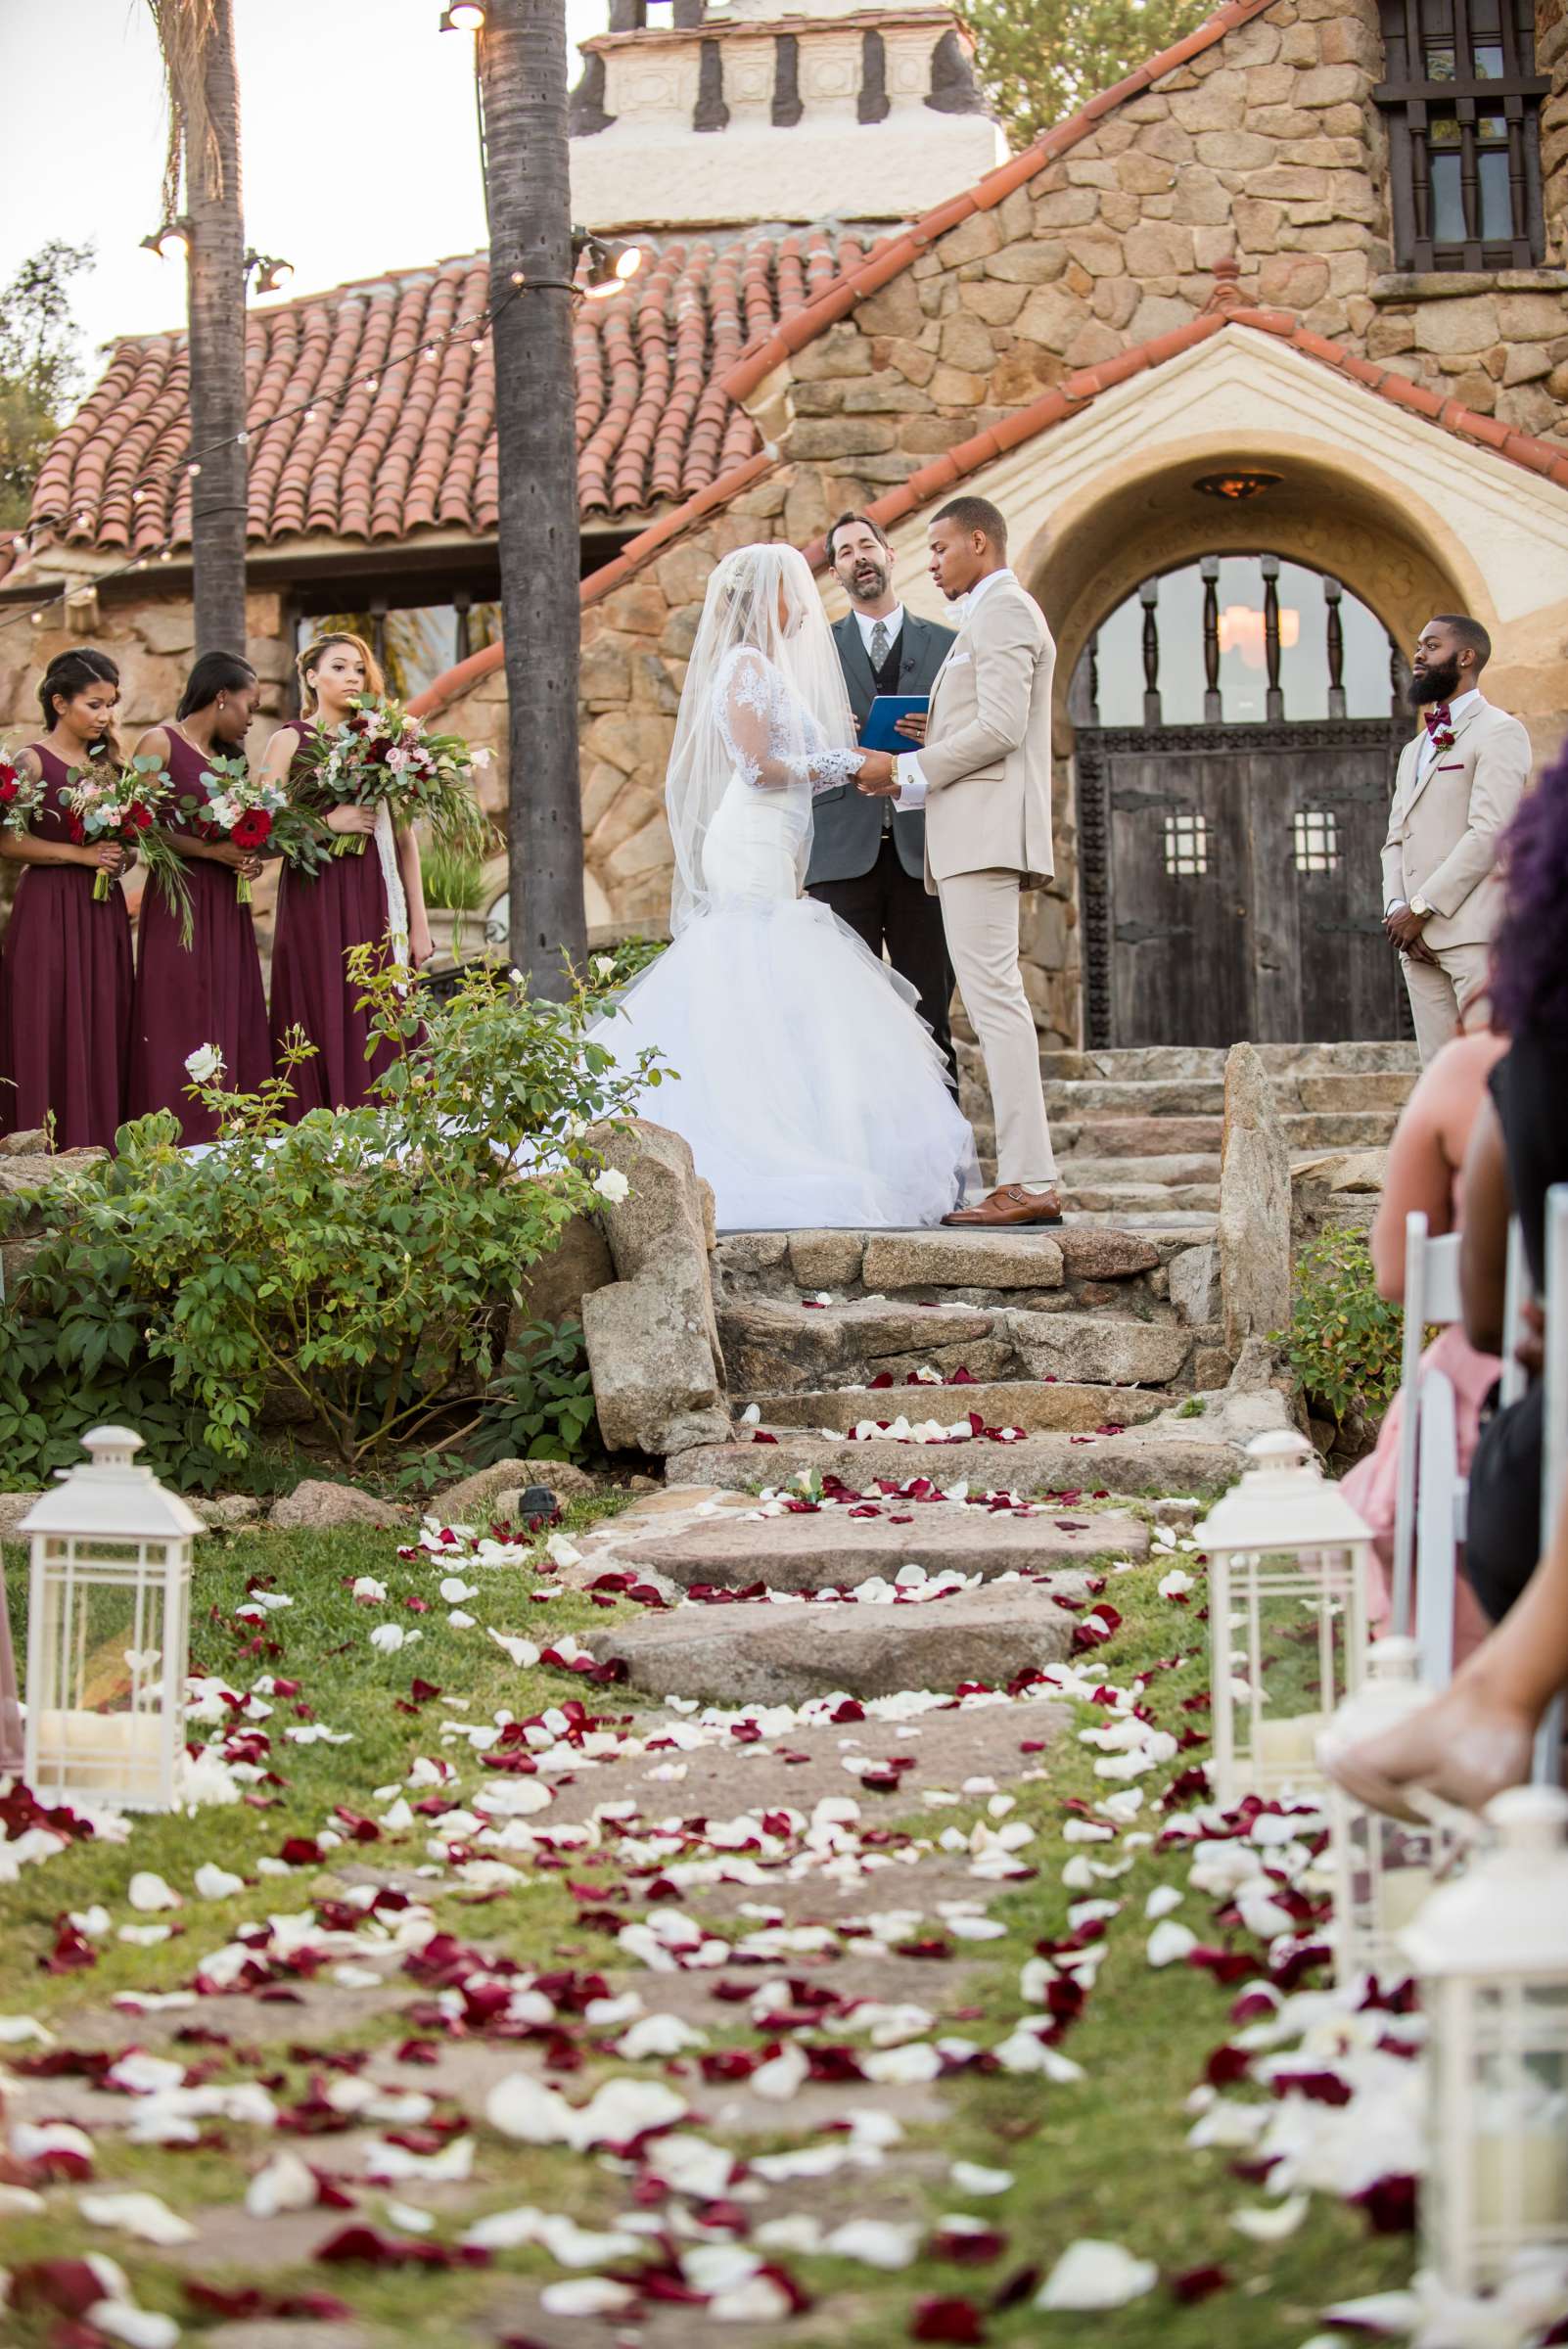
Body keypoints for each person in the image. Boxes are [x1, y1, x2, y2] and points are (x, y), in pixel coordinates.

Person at [594, 541, 976, 1229]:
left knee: (774, 979)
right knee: (750, 969)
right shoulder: (743, 667)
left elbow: (783, 758)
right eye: (789, 591)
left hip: (772, 840)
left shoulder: (768, 669)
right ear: (761, 599)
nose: (800, 603)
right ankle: (746, 1132)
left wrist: (845, 756)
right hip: (749, 840)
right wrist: (843, 761)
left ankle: (787, 1126)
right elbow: (758, 767)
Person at [856, 495, 1059, 1228]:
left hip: (984, 834)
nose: (931, 562)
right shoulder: (989, 616)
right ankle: (1029, 1176)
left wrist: (905, 773)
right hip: (970, 831)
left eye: (940, 548)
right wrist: (927, 736)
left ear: (981, 541)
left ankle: (1031, 1179)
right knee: (993, 999)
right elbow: (982, 723)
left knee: (996, 1002)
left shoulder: (1005, 612)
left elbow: (1002, 728)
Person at [1337, 988, 1503, 1667]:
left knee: (1419, 1433)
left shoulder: (1477, 1072)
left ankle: (1457, 1673)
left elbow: (1400, 1279)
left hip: (1503, 1401)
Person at [806, 512, 957, 1075]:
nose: (859, 556)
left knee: (933, 1012)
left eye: (867, 544)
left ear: (890, 554)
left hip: (927, 854)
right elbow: (787, 742)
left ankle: (950, 1163)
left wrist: (938, 731)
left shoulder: (948, 645)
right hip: (842, 853)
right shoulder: (812, 651)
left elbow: (977, 733)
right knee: (847, 1015)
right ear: (835, 571)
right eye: (845, 552)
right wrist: (824, 729)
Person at [262, 631, 433, 1117]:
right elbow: (262, 830)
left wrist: (418, 923)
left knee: (383, 1002)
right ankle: (324, 1125)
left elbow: (404, 838)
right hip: (315, 895)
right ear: (312, 677)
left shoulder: (383, 741)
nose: (351, 677)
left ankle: (395, 1121)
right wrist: (326, 823)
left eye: (358, 669)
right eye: (338, 667)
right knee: (325, 999)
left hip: (375, 893)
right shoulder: (289, 740)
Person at [127, 652, 272, 1143]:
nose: (252, 718)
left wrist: (247, 857)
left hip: (228, 902)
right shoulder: (159, 742)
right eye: (250, 705)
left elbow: (240, 837)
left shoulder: (229, 764)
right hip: (179, 902)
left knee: (230, 1007)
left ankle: (232, 1132)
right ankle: (175, 1136)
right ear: (221, 695)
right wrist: (215, 851)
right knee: (179, 1008)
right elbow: (139, 827)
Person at [1380, 614, 1530, 1066]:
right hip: (1414, 942)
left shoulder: (1500, 731)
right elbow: (1395, 839)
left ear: (1466, 657)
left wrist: (1423, 908)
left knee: (1488, 1074)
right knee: (1438, 1076)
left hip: (1473, 934)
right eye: (1419, 646)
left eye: (1432, 645)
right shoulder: (1413, 749)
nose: (1419, 655)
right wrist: (1396, 911)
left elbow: (1490, 832)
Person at [0, 648, 134, 1150]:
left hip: (102, 912)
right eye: (94, 704)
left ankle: (98, 1143)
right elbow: (8, 841)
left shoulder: (109, 769)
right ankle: (39, 1147)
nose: (105, 716)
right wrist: (79, 857)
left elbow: (126, 850)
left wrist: (121, 858)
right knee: (48, 1018)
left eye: (110, 705)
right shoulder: (31, 760)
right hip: (48, 909)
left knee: (102, 1018)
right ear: (60, 702)